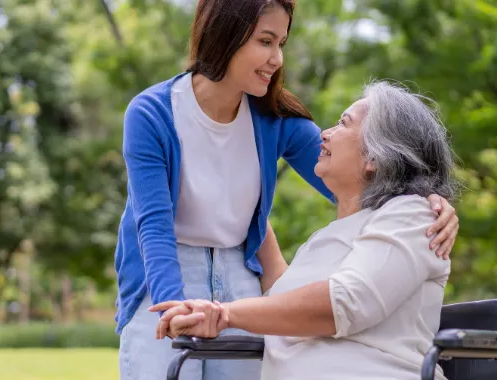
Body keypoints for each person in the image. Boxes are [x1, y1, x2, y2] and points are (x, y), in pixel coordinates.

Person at [115, 1, 460, 379]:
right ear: (226, 34)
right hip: (166, 266)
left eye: (281, 43)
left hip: (240, 267)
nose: (277, 58)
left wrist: (427, 201)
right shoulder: (153, 113)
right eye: (266, 41)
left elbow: (366, 180)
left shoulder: (272, 117)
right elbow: (154, 226)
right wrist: (172, 306)